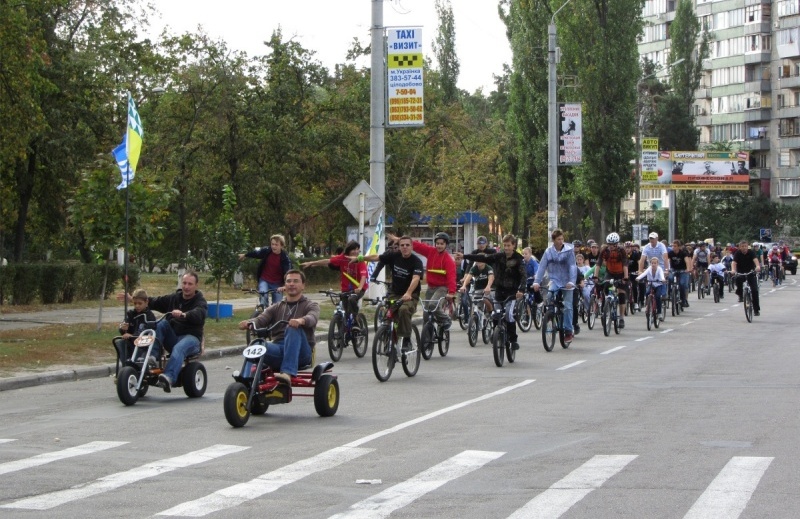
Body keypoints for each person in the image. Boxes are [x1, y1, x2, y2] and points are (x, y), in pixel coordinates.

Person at [118, 272, 207, 392]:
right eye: (184, 283)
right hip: (173, 338)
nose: (186, 286)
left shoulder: (200, 301)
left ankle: (168, 377)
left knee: (179, 348)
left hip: (191, 338)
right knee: (161, 324)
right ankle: (152, 357)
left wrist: (185, 314)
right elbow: (155, 301)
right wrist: (134, 299)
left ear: (196, 285)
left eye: (190, 284)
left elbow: (199, 313)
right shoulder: (174, 298)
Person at [237, 269, 318, 385]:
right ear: (285, 285)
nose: (292, 284)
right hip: (279, 348)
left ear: (303, 286)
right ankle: (245, 380)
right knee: (257, 345)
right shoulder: (277, 307)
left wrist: (301, 321)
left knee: (292, 328)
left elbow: (312, 317)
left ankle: (287, 373)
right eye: (289, 281)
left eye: (296, 281)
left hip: (302, 352)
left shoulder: (310, 305)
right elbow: (261, 319)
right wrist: (249, 323)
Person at [458, 234, 526, 349]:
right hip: (499, 289)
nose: (506, 248)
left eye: (509, 245)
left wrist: (521, 289)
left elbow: (524, 275)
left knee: (509, 314)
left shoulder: (518, 259)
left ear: (513, 246)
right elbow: (483, 258)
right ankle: (496, 333)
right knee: (496, 313)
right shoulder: (499, 256)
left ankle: (513, 339)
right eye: (505, 245)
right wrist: (464, 256)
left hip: (512, 291)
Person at [362, 235, 424, 350]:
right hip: (395, 293)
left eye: (407, 245)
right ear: (399, 247)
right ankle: (388, 342)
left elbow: (416, 278)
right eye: (402, 245)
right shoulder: (394, 256)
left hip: (411, 295)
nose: (404, 247)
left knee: (403, 310)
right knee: (388, 315)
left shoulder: (416, 262)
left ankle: (406, 339)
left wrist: (409, 293)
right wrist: (360, 258)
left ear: (411, 247)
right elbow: (377, 257)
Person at [386, 231, 457, 330]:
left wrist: (452, 292)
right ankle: (426, 340)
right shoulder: (431, 251)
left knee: (433, 305)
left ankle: (445, 319)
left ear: (446, 245)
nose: (439, 246)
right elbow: (417, 245)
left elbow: (451, 277)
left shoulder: (448, 260)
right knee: (426, 314)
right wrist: (398, 239)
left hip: (442, 288)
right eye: (437, 243)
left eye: (442, 244)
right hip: (431, 287)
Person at [301, 240, 368, 329]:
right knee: (346, 312)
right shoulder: (342, 258)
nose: (356, 252)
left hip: (359, 288)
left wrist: (359, 288)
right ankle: (344, 335)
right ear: (348, 250)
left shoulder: (360, 260)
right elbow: (327, 261)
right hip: (346, 289)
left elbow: (363, 275)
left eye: (357, 249)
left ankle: (356, 321)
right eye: (354, 249)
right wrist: (312, 263)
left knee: (352, 299)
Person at [532, 229, 577, 342]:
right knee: (549, 296)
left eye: (562, 239)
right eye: (558, 239)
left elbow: (572, 266)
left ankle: (568, 331)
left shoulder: (569, 250)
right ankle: (550, 315)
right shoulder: (548, 252)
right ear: (553, 240)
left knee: (567, 306)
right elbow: (542, 267)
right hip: (555, 280)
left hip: (567, 281)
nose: (561, 241)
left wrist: (572, 281)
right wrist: (537, 281)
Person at [238, 234, 292, 305]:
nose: (273, 246)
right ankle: (264, 312)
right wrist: (245, 255)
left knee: (277, 305)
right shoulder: (267, 251)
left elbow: (288, 273)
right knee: (263, 298)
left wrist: (285, 285)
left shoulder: (285, 258)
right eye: (272, 244)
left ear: (281, 246)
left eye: (276, 245)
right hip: (265, 280)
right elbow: (257, 253)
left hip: (277, 283)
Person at [114, 289, 157, 368]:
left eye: (140, 303)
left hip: (144, 345)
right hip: (132, 343)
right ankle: (126, 367)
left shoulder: (149, 316)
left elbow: (146, 332)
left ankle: (136, 367)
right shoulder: (131, 314)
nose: (137, 306)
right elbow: (123, 328)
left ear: (146, 302)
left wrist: (132, 335)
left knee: (140, 353)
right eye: (135, 303)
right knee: (120, 342)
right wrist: (123, 328)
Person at [595, 232, 629, 329]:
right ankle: (606, 305)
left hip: (621, 273)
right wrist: (595, 276)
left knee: (621, 294)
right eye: (609, 244)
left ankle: (621, 317)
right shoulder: (605, 250)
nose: (610, 246)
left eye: (612, 244)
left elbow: (625, 264)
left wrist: (625, 277)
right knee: (605, 287)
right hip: (610, 272)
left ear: (616, 244)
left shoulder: (621, 251)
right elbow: (598, 263)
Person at [732, 239, 761, 316]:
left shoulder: (751, 252)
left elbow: (755, 260)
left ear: (747, 246)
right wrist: (733, 270)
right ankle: (740, 295)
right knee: (737, 279)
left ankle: (756, 310)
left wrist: (758, 266)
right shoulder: (737, 253)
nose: (744, 248)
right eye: (742, 246)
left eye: (745, 246)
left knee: (754, 291)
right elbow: (734, 262)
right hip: (741, 273)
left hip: (750, 273)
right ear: (739, 247)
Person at [668, 239, 693, 309]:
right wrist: (667, 269)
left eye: (675, 246)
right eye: (673, 246)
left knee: (682, 284)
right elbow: (667, 261)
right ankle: (670, 294)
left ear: (679, 247)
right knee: (670, 278)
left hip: (682, 270)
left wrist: (688, 269)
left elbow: (687, 261)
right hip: (673, 270)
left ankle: (683, 299)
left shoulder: (683, 253)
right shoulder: (670, 253)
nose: (673, 247)